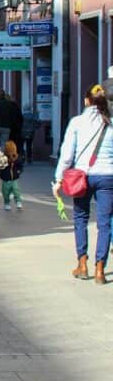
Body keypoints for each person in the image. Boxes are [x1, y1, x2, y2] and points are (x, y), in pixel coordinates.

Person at [54, 84, 113, 283]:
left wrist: (58, 179)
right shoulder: (111, 122)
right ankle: (100, 270)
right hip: (107, 177)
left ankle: (82, 264)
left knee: (80, 218)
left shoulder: (77, 122)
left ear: (87, 100)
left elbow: (67, 154)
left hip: (82, 177)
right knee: (104, 223)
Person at [0, 140, 24, 211]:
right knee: (5, 192)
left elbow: (20, 166)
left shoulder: (16, 157)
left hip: (14, 178)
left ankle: (18, 202)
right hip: (5, 178)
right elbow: (1, 166)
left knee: (16, 190)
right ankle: (7, 203)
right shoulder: (3, 157)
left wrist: (18, 172)